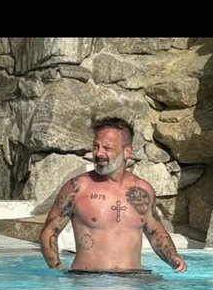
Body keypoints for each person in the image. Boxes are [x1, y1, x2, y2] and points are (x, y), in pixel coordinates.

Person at [40, 116, 188, 274]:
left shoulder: (142, 191)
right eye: (96, 146)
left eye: (107, 148)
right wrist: (57, 270)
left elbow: (156, 233)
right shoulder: (77, 188)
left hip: (134, 279)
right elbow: (50, 231)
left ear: (127, 151)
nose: (99, 153)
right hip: (89, 279)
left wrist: (173, 258)